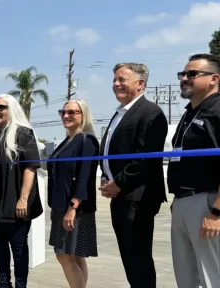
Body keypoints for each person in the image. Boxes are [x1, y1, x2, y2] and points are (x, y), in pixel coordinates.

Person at [99, 63, 168, 288]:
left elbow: (145, 158)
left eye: (122, 80)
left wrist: (119, 182)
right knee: (129, 259)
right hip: (120, 196)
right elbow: (111, 150)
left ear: (140, 84)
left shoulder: (150, 112)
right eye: (114, 80)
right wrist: (105, 176)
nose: (116, 84)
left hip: (137, 197)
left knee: (139, 259)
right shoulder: (120, 113)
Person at [0, 94, 43, 288]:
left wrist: (23, 199)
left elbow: (30, 168)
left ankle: (20, 285)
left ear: (11, 109)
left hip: (14, 204)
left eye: (0, 107)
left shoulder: (23, 134)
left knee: (19, 249)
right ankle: (3, 284)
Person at [167, 53, 220, 287]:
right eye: (183, 74)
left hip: (207, 204)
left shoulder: (217, 111)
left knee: (211, 276)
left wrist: (217, 212)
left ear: (214, 78)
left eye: (192, 74)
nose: (184, 78)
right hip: (181, 202)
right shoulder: (190, 112)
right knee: (186, 276)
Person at [47, 99, 99, 288]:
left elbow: (84, 177)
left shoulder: (86, 140)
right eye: (63, 112)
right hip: (60, 205)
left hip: (75, 208)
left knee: (64, 254)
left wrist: (73, 207)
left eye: (72, 112)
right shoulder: (67, 140)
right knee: (74, 256)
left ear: (83, 115)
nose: (66, 116)